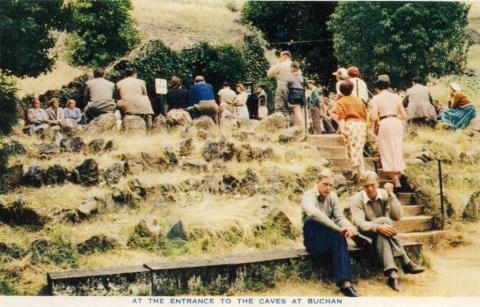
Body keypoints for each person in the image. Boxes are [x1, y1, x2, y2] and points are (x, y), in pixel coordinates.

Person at [350, 171, 425, 292]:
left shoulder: (384, 194)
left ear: (378, 183)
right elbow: (359, 223)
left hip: (382, 233)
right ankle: (405, 262)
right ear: (362, 186)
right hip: (363, 235)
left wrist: (391, 195)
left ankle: (392, 274)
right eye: (366, 186)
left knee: (383, 231)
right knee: (384, 220)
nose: (369, 188)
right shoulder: (356, 199)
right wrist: (378, 227)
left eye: (372, 185)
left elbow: (398, 216)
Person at [301, 171, 360, 297]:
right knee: (311, 221)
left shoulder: (332, 196)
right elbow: (314, 214)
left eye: (331, 185)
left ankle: (345, 283)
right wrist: (338, 229)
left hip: (327, 238)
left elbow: (339, 217)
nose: (328, 188)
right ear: (317, 183)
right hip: (313, 239)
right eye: (325, 184)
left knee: (340, 237)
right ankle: (344, 280)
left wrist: (349, 227)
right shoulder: (308, 196)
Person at [370, 75, 407, 191]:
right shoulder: (396, 97)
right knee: (396, 147)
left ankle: (396, 181)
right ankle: (400, 173)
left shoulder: (376, 99)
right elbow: (404, 115)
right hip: (396, 122)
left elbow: (374, 116)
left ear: (378, 87)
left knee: (386, 149)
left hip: (385, 122)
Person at [336, 80, 368, 181]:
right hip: (362, 125)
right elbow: (365, 115)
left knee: (353, 151)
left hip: (351, 125)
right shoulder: (359, 100)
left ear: (340, 91)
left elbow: (341, 117)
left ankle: (361, 177)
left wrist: (342, 130)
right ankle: (356, 173)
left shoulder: (340, 102)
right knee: (357, 151)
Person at [267, 50, 293, 116]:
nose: (279, 58)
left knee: (280, 107)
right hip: (294, 89)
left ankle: (281, 124)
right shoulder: (295, 65)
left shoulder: (281, 64)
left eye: (280, 56)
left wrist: (277, 63)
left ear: (285, 56)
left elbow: (269, 74)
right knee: (292, 108)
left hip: (282, 87)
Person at [286, 61, 306, 130]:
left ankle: (304, 127)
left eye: (291, 67)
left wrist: (288, 100)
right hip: (301, 94)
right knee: (300, 112)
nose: (290, 69)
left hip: (294, 94)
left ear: (294, 68)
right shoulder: (302, 77)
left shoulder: (290, 77)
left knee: (297, 113)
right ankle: (300, 127)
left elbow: (287, 89)